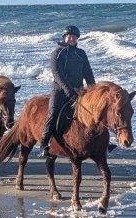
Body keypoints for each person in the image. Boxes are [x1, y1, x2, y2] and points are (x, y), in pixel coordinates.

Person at [39, 25, 95, 157]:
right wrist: (68, 91)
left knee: (96, 111)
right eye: (69, 36)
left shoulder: (81, 53)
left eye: (74, 36)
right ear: (64, 37)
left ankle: (103, 142)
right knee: (53, 112)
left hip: (79, 90)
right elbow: (57, 74)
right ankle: (44, 144)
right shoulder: (57, 53)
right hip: (60, 90)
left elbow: (88, 72)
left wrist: (93, 90)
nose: (71, 39)